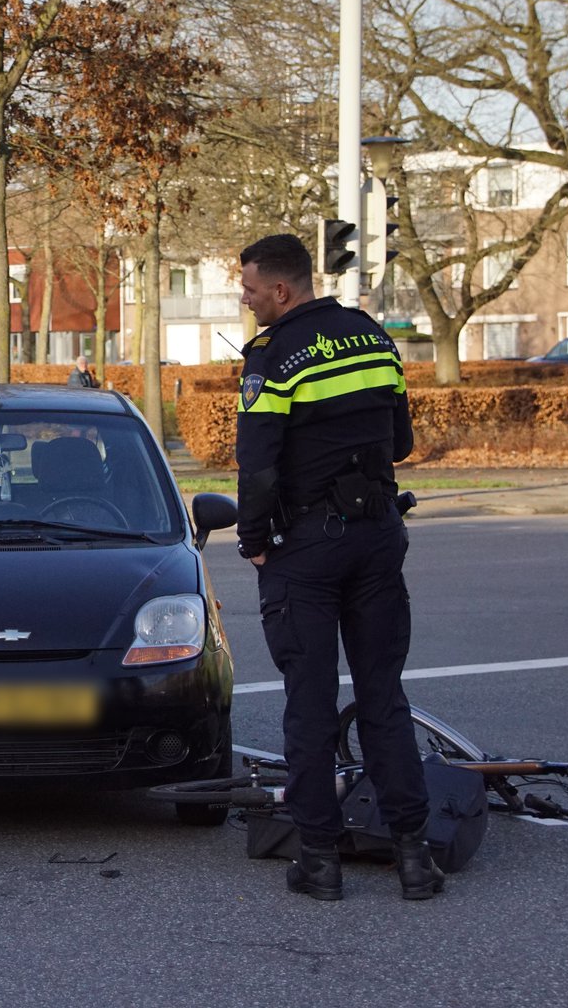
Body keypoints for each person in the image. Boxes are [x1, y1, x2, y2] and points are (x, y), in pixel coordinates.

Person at [233, 233, 443, 902]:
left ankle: (319, 861)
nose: (245, 299)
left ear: (281, 290)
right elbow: (402, 442)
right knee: (384, 698)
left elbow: (258, 465)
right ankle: (415, 859)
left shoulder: (273, 356)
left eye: (249, 289)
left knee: (311, 705)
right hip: (379, 536)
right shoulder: (372, 337)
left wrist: (254, 540)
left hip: (308, 549)